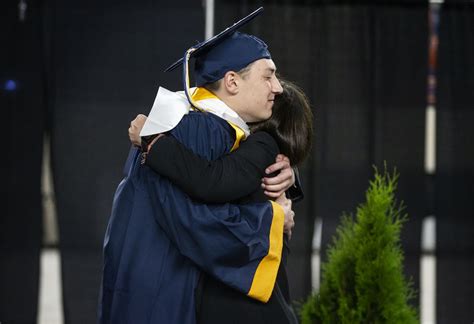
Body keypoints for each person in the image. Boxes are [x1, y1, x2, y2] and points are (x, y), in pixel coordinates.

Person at [99, 9, 299, 324]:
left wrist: (287, 178)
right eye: (268, 75)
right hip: (162, 281)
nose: (278, 87)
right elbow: (192, 216)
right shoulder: (199, 128)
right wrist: (273, 220)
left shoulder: (199, 126)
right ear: (232, 81)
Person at [128, 79, 313, 323]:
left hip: (243, 307)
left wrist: (152, 141)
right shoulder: (269, 158)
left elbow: (210, 180)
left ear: (272, 116)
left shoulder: (262, 145)